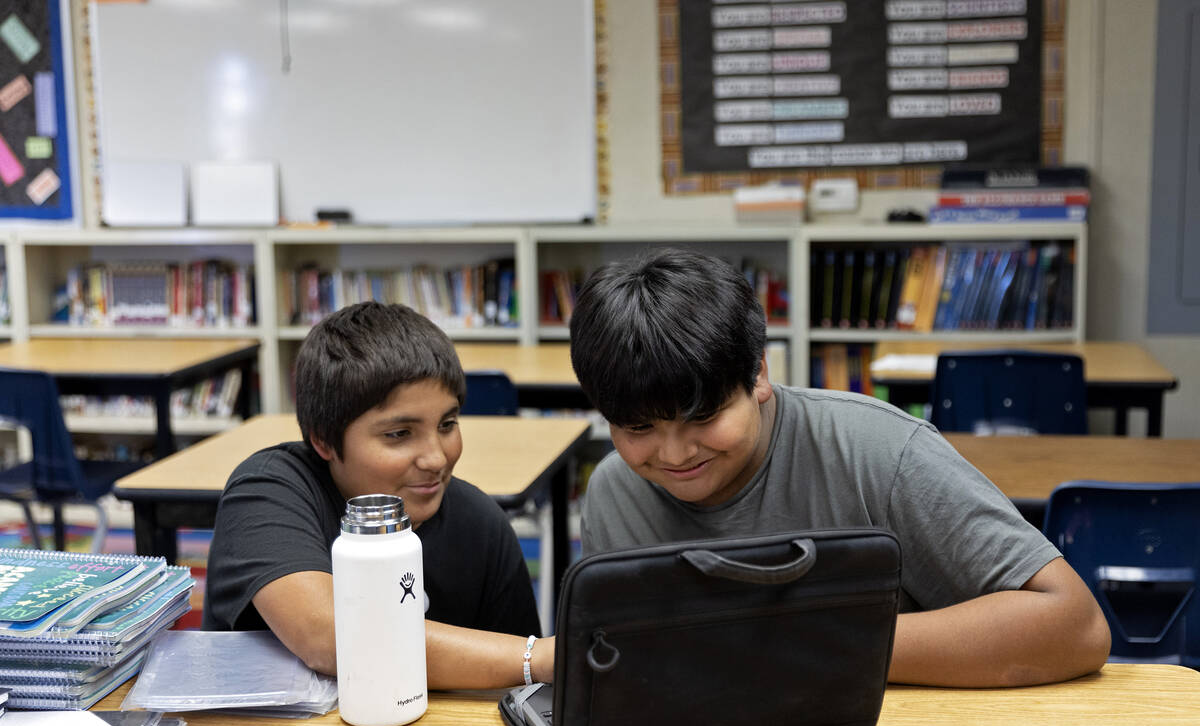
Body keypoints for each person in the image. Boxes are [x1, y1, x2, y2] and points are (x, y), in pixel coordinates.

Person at [568, 248, 1110, 688]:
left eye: (704, 417)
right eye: (638, 429)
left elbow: (1076, 626)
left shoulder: (881, 452)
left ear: (757, 374)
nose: (674, 454)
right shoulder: (616, 492)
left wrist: (799, 643)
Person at [204, 301, 552, 688]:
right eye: (399, 434)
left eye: (448, 424)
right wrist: (534, 658)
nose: (437, 458)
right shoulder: (267, 493)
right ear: (323, 440)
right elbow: (328, 638)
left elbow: (520, 697)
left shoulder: (481, 523)